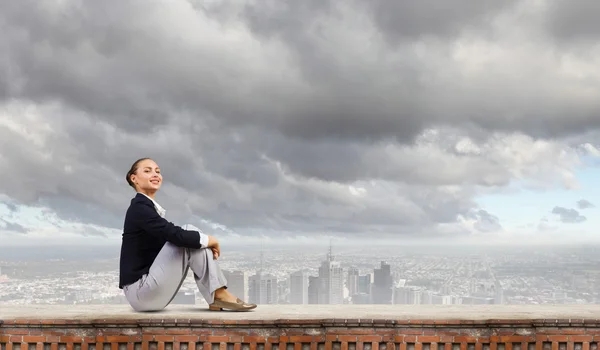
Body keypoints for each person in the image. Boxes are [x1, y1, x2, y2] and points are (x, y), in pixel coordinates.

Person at [118, 157, 256, 312]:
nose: (155, 174)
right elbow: (174, 234)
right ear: (134, 178)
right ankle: (218, 295)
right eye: (147, 171)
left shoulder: (145, 208)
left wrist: (203, 243)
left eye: (158, 171)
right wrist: (211, 240)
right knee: (189, 233)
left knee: (192, 239)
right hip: (141, 292)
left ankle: (218, 295)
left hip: (145, 294)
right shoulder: (140, 208)